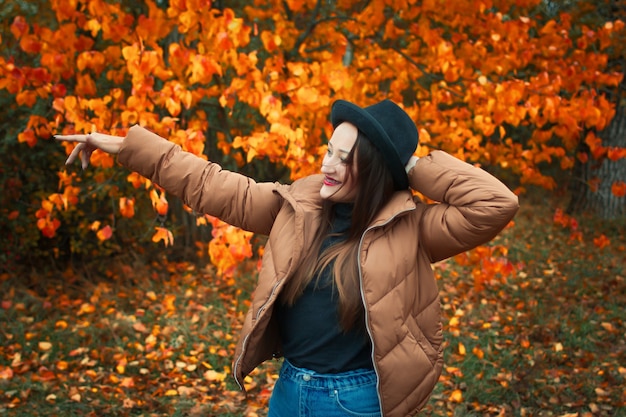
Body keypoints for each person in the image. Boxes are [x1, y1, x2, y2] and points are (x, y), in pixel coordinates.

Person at [56, 99, 519, 417]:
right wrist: (128, 147)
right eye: (328, 151)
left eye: (344, 158)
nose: (326, 165)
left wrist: (409, 163)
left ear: (375, 168)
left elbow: (494, 204)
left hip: (357, 401)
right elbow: (212, 184)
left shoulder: (413, 230)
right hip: (290, 388)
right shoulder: (299, 206)